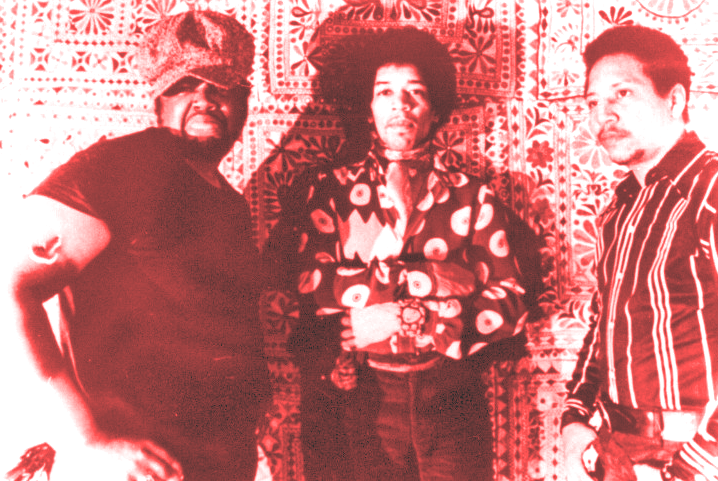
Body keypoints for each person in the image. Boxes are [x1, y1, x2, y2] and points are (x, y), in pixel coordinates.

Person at [0, 10, 270, 481]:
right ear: (158, 100)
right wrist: (84, 439)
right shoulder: (121, 166)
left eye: (221, 85)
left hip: (215, 462)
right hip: (136, 467)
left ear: (244, 99)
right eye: (184, 85)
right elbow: (8, 287)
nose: (204, 98)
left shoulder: (230, 202)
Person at [282, 27, 529, 480]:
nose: (401, 105)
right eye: (385, 93)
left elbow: (510, 302)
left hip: (451, 395)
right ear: (368, 107)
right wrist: (439, 277)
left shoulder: (474, 196)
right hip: (364, 396)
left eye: (416, 93)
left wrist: (417, 312)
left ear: (435, 109)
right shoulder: (332, 192)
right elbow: (311, 285)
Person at [561, 25, 718, 481]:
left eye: (622, 94)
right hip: (617, 449)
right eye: (592, 102)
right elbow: (602, 323)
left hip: (693, 456)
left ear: (675, 99)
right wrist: (574, 417)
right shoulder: (619, 209)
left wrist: (693, 466)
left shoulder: (709, 190)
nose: (603, 115)